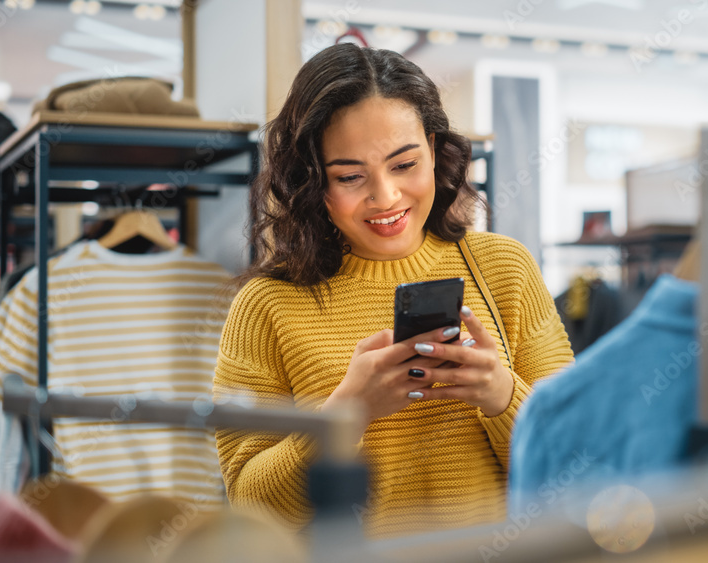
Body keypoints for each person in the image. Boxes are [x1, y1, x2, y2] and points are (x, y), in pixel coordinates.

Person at [213, 43, 574, 539]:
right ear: (312, 179)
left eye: (404, 164)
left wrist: (503, 395)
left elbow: (581, 464)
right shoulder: (267, 305)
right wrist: (345, 415)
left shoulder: (504, 269)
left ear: (432, 146)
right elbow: (250, 509)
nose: (385, 197)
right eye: (350, 176)